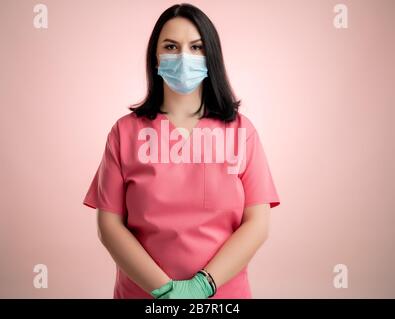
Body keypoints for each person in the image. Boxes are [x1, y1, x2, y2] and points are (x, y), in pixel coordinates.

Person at [83, 3, 280, 299]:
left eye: (197, 47)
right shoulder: (124, 133)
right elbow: (109, 225)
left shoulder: (242, 132)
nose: (183, 58)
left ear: (211, 56)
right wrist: (165, 291)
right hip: (144, 296)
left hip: (223, 297)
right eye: (171, 46)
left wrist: (203, 285)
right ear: (156, 56)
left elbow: (257, 224)